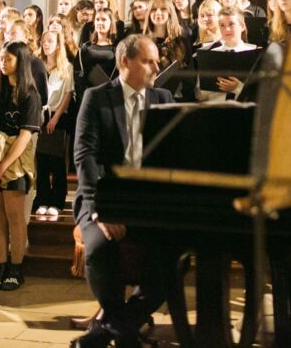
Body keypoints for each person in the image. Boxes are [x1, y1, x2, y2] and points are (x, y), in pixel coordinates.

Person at [72, 34, 174, 348]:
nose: (157, 67)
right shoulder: (97, 97)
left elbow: (172, 156)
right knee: (101, 250)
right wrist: (100, 210)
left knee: (174, 257)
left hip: (147, 205)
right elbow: (84, 154)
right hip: (103, 199)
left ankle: (110, 327)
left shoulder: (164, 98)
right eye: (148, 61)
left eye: (157, 60)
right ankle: (126, 334)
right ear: (125, 61)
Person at [0, 41, 41, 292]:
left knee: (15, 218)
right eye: (1, 59)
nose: (3, 63)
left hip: (15, 163)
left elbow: (25, 137)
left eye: (9, 59)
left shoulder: (30, 95)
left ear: (21, 62)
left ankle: (16, 268)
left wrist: (3, 166)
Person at [34, 30, 74, 219]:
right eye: (44, 41)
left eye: (50, 41)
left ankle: (57, 202)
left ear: (58, 44)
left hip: (58, 116)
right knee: (41, 161)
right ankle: (42, 199)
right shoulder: (37, 64)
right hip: (40, 116)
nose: (46, 44)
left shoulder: (66, 67)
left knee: (57, 162)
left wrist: (55, 118)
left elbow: (67, 94)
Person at [197, 7, 257, 102]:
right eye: (222, 25)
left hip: (242, 111)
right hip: (214, 109)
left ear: (242, 26)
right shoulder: (211, 55)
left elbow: (258, 94)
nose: (227, 29)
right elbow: (200, 96)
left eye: (231, 24)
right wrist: (204, 83)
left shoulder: (254, 54)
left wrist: (238, 87)